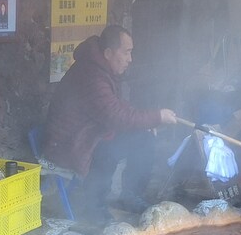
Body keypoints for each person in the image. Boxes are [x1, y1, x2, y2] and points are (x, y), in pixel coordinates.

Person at [43, 25, 177, 216]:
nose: (130, 59)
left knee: (143, 137)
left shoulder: (101, 69)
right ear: (108, 52)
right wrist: (157, 117)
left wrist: (148, 123)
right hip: (69, 143)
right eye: (126, 52)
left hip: (87, 132)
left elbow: (116, 107)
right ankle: (94, 209)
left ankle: (129, 195)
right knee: (108, 150)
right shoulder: (91, 75)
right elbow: (116, 117)